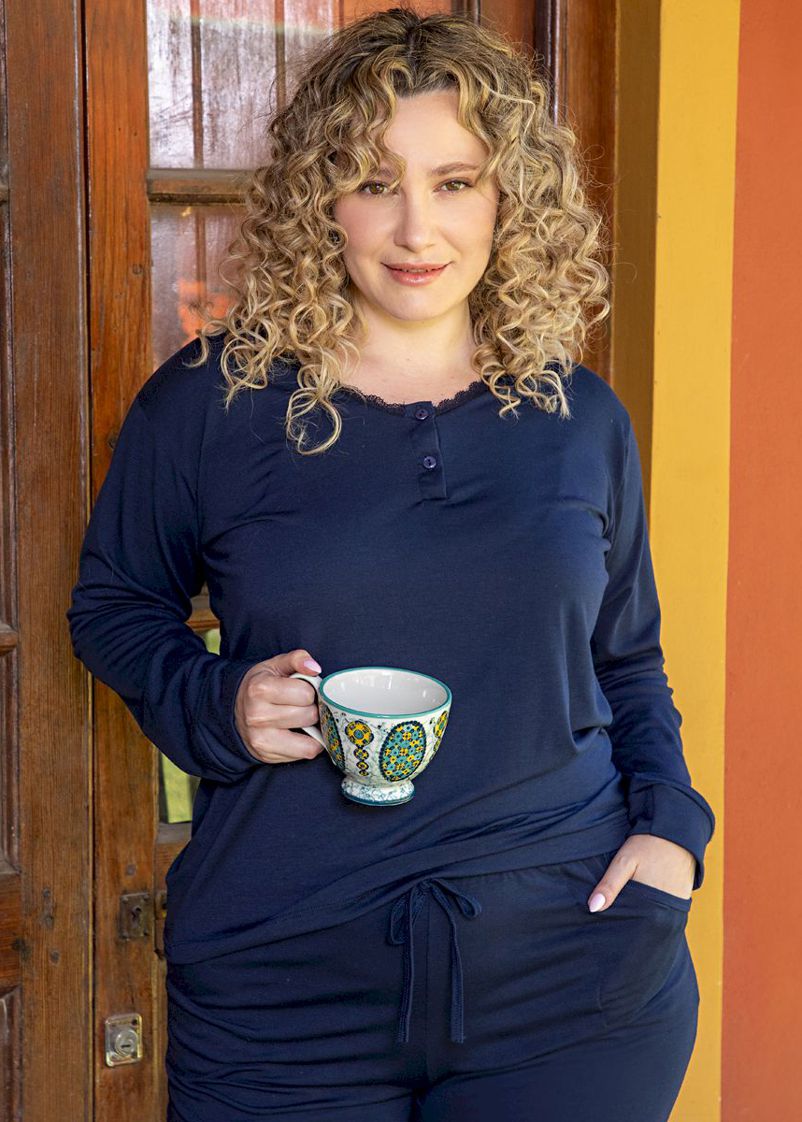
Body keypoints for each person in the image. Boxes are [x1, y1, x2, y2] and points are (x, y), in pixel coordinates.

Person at [66, 8, 716, 1121]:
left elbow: (627, 660)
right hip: (282, 984)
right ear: (321, 198)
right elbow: (114, 606)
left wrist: (671, 832)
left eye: (456, 182)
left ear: (510, 196)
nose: (417, 228)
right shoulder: (212, 403)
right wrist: (218, 706)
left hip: (572, 976)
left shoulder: (578, 418)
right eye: (374, 182)